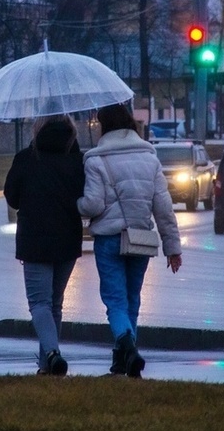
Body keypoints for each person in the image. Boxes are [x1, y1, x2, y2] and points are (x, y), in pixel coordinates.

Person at [78, 104, 182, 378]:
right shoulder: (150, 158)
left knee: (115, 301)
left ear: (104, 127)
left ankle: (127, 349)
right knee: (132, 299)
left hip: (109, 240)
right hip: (140, 239)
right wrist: (173, 248)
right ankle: (123, 358)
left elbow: (92, 204)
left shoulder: (95, 160)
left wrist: (75, 204)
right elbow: (164, 208)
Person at [4, 114, 85, 376]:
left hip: (34, 240)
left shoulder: (27, 159)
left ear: (37, 129)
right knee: (55, 304)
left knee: (39, 304)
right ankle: (46, 366)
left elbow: (12, 197)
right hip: (68, 239)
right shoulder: (77, 161)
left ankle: (51, 353)